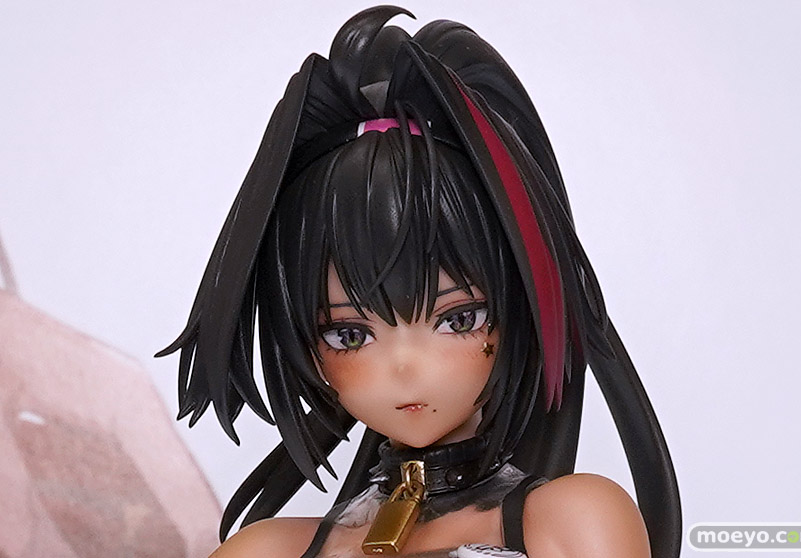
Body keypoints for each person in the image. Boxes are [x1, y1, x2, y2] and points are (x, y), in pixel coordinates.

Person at [158, 6, 681, 557]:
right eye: (350, 334)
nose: (405, 367)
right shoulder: (267, 551)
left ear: (517, 311)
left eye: (457, 319)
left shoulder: (568, 521)